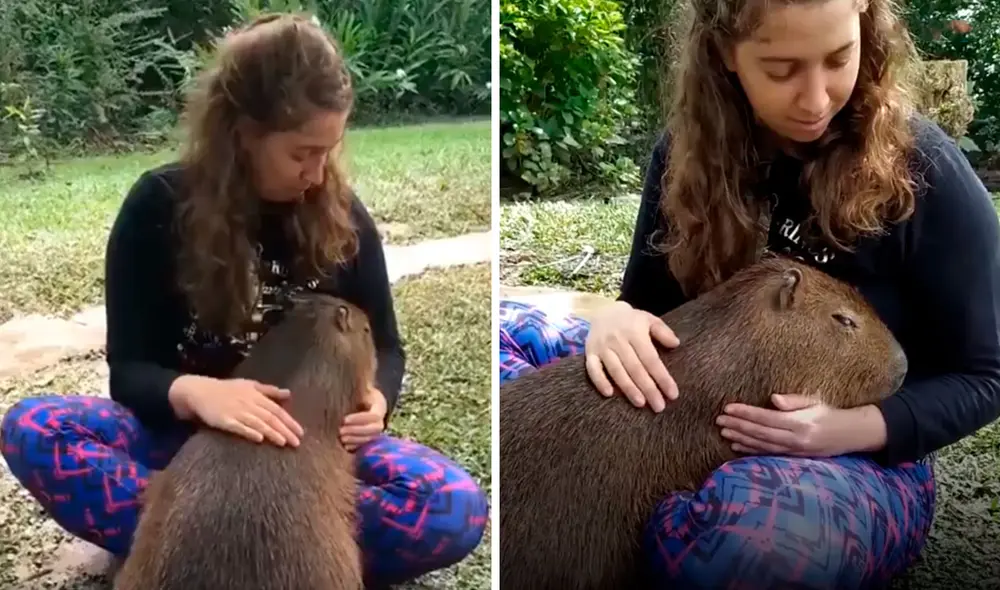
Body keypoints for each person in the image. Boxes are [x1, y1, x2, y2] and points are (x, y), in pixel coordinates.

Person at [499, 0, 1000, 587]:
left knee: (760, 543)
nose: (815, 98)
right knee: (506, 324)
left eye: (838, 58)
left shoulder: (924, 167)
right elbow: (647, 308)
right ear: (726, 53)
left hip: (862, 455)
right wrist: (618, 318)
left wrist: (850, 428)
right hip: (680, 419)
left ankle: (666, 537)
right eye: (782, 69)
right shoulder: (687, 151)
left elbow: (988, 375)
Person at [0, 13, 488, 588]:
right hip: (182, 453)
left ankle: (237, 545)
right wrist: (199, 393)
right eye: (301, 153)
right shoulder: (157, 207)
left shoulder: (343, 217)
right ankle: (200, 533)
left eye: (328, 152)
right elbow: (129, 370)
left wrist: (378, 399)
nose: (316, 173)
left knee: (454, 508)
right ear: (243, 134)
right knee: (34, 428)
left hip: (307, 466)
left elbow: (386, 344)